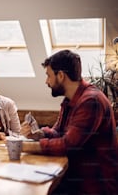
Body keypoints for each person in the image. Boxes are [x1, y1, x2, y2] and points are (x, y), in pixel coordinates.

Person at [20, 50, 118, 195]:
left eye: (48, 75)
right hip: (75, 177)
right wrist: (38, 134)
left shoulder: (91, 101)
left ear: (61, 75)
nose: (46, 81)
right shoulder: (70, 100)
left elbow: (68, 144)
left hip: (94, 185)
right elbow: (58, 132)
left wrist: (27, 147)